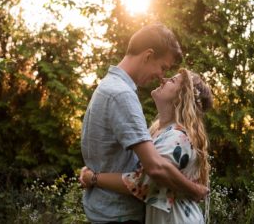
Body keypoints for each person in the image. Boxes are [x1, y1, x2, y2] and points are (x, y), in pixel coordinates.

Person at [80, 23, 208, 224]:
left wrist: (93, 176)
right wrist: (195, 189)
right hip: (119, 215)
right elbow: (154, 168)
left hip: (112, 211)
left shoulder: (109, 87)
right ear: (148, 56)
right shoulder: (122, 95)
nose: (161, 76)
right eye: (163, 67)